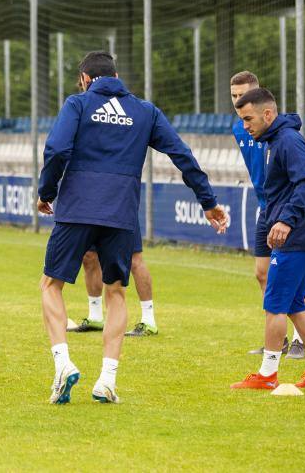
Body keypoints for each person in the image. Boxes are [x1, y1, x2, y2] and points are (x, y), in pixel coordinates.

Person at [38, 51, 228, 405]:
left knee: (51, 285)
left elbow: (57, 149)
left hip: (77, 208)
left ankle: (62, 363)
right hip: (121, 213)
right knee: (116, 294)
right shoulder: (144, 111)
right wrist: (208, 201)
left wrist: (46, 193)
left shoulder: (78, 104)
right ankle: (107, 380)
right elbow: (181, 153)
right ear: (116, 75)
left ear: (84, 79)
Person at [230, 88, 305, 390]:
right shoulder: (272, 141)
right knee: (294, 304)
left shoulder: (289, 141)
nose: (245, 126)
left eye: (248, 119)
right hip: (299, 235)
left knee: (274, 304)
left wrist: (286, 221)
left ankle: (267, 375)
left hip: (295, 235)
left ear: (267, 114)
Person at [230, 71, 305, 359]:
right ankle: (279, 339)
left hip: (283, 207)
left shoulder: (275, 127)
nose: (239, 101)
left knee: (294, 278)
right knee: (262, 273)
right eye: (234, 96)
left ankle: (299, 341)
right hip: (266, 206)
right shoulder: (240, 129)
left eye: (244, 95)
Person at [67, 223, 158, 337]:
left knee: (134, 258)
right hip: (94, 211)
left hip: (121, 211)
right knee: (89, 256)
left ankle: (149, 321)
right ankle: (95, 317)